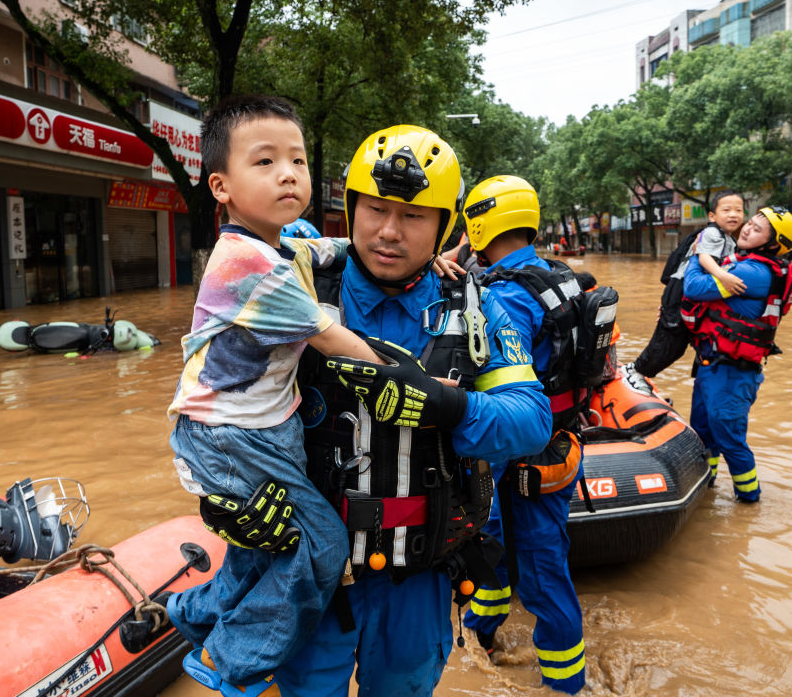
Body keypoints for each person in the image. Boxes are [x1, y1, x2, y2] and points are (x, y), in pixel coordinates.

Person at [192, 125, 553, 697]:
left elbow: (531, 422)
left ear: (445, 225)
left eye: (413, 216)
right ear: (350, 207)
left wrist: (448, 406)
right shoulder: (293, 276)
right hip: (308, 574)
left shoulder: (475, 307)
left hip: (420, 577)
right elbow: (213, 400)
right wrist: (226, 502)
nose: (388, 232)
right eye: (375, 210)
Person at [165, 94, 387, 697]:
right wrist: (419, 385)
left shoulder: (285, 243)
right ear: (221, 186)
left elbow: (331, 250)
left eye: (298, 160)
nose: (288, 173)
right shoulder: (247, 263)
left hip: (266, 423)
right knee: (319, 543)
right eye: (264, 162)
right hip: (229, 431)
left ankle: (194, 613)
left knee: (266, 547)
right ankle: (229, 660)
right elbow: (335, 339)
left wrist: (424, 252)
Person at [459, 175, 617, 694]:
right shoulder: (560, 277)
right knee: (519, 550)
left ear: (478, 222)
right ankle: (484, 633)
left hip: (517, 451)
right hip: (558, 444)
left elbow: (491, 377)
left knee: (531, 562)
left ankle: (563, 681)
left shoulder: (506, 296)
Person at [681, 206, 792, 503]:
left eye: (758, 229)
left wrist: (700, 254)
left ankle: (749, 502)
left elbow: (694, 287)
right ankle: (707, 489)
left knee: (730, 440)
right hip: (713, 365)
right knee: (704, 434)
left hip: (733, 373)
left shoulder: (754, 272)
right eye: (751, 222)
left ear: (773, 245)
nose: (747, 228)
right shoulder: (744, 262)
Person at [628, 190, 746, 381]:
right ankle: (637, 373)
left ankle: (639, 372)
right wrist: (722, 276)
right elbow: (704, 257)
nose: (733, 214)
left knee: (678, 344)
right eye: (727, 210)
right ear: (712, 216)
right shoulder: (712, 232)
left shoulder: (730, 240)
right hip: (680, 287)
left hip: (691, 292)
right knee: (669, 339)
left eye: (738, 210)